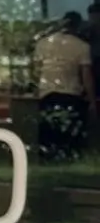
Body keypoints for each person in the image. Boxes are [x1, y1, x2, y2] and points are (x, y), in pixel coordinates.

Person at [34, 10, 95, 163]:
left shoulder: (43, 43)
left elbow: (36, 71)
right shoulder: (82, 46)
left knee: (49, 132)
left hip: (47, 93)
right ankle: (69, 159)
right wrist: (92, 99)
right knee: (70, 135)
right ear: (78, 26)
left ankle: (48, 159)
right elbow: (86, 76)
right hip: (71, 94)